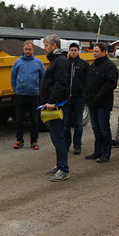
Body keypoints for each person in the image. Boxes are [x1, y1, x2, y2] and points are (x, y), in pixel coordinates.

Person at [40, 35, 71, 182]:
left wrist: (52, 101)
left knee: (58, 137)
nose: (44, 48)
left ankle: (64, 169)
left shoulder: (61, 61)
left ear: (54, 46)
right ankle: (59, 165)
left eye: (46, 45)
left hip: (56, 105)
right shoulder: (56, 60)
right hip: (50, 104)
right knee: (55, 137)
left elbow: (61, 84)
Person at [84, 42, 119, 163]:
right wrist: (87, 96)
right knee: (96, 128)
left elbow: (110, 84)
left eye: (96, 51)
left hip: (103, 104)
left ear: (104, 52)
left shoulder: (110, 66)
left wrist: (98, 97)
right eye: (93, 51)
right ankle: (97, 151)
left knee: (104, 129)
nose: (94, 54)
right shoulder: (93, 65)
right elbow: (88, 82)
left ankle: (106, 153)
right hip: (92, 103)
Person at [10, 41, 45, 150]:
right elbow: (13, 77)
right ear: (23, 50)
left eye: (30, 49)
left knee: (34, 119)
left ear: (33, 50)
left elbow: (42, 78)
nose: (28, 51)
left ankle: (34, 141)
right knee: (19, 119)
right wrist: (16, 89)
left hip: (34, 95)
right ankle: (19, 141)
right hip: (20, 95)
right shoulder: (18, 62)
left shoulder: (38, 63)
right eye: (26, 49)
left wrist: (39, 90)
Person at [63, 42, 90, 155]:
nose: (73, 52)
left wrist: (84, 96)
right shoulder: (64, 64)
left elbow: (88, 81)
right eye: (71, 50)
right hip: (66, 99)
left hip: (79, 98)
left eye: (75, 50)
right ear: (69, 51)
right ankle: (66, 144)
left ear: (78, 51)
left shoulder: (84, 64)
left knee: (78, 123)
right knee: (66, 124)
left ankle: (77, 145)